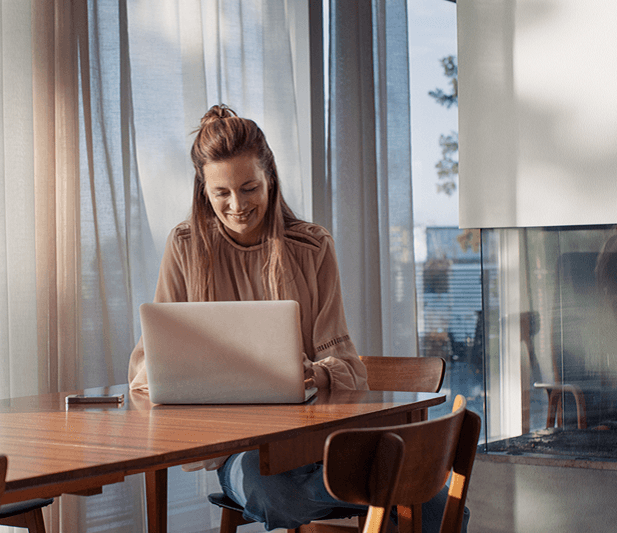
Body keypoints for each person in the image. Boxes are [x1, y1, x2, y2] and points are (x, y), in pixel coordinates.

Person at [127, 104, 466, 531]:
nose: (237, 205)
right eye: (221, 193)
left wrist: (313, 373)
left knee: (437, 504)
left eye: (249, 187)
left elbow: (348, 368)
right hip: (240, 452)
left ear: (270, 176)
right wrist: (174, 375)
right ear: (203, 190)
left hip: (316, 443)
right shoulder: (185, 245)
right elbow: (146, 368)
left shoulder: (312, 247)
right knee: (274, 492)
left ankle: (371, 486)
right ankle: (378, 487)